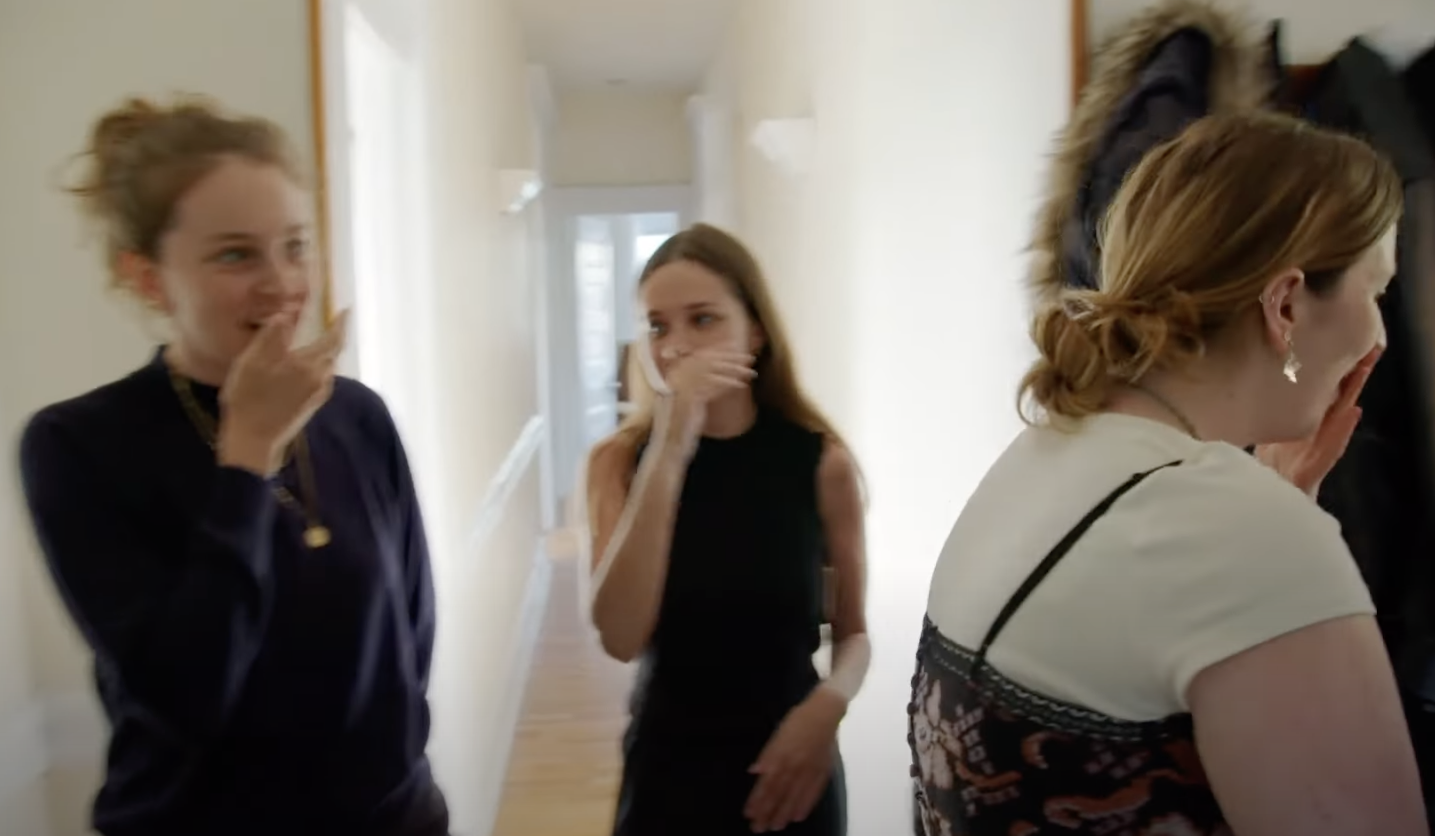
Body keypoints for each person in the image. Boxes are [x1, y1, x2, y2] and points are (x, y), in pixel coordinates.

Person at [908, 110, 1427, 835]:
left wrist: (1279, 502)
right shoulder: (1235, 530)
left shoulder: (1043, 457)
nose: (1378, 333)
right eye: (1376, 292)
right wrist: (1279, 527)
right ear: (1285, 305)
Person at [17, 96, 448, 836]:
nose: (282, 282)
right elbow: (186, 692)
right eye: (235, 254)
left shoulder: (356, 415)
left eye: (295, 245)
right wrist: (246, 455)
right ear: (149, 278)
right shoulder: (77, 445)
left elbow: (411, 634)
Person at [586, 223, 870, 836]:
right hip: (670, 772)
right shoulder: (618, 464)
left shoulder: (820, 463)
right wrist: (670, 446)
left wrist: (830, 705)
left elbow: (854, 637)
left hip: (792, 772)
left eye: (703, 319)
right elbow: (620, 635)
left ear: (756, 332)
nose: (676, 347)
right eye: (657, 326)